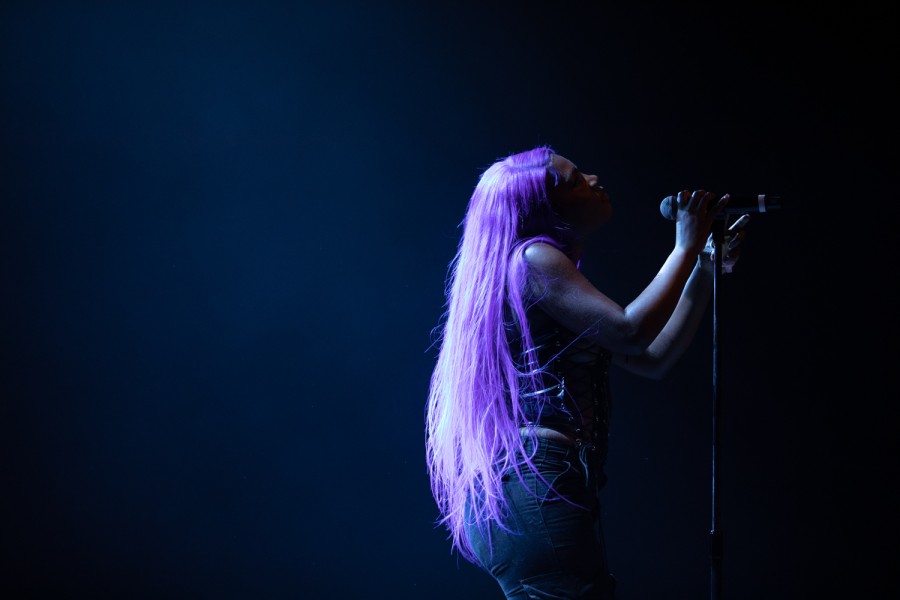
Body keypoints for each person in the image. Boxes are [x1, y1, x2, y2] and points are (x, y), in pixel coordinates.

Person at [424, 146, 746, 599]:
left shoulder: (535, 274)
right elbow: (632, 330)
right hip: (536, 483)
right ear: (543, 209)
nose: (595, 179)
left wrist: (705, 263)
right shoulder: (533, 259)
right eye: (575, 180)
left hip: (533, 490)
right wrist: (684, 245)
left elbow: (653, 358)